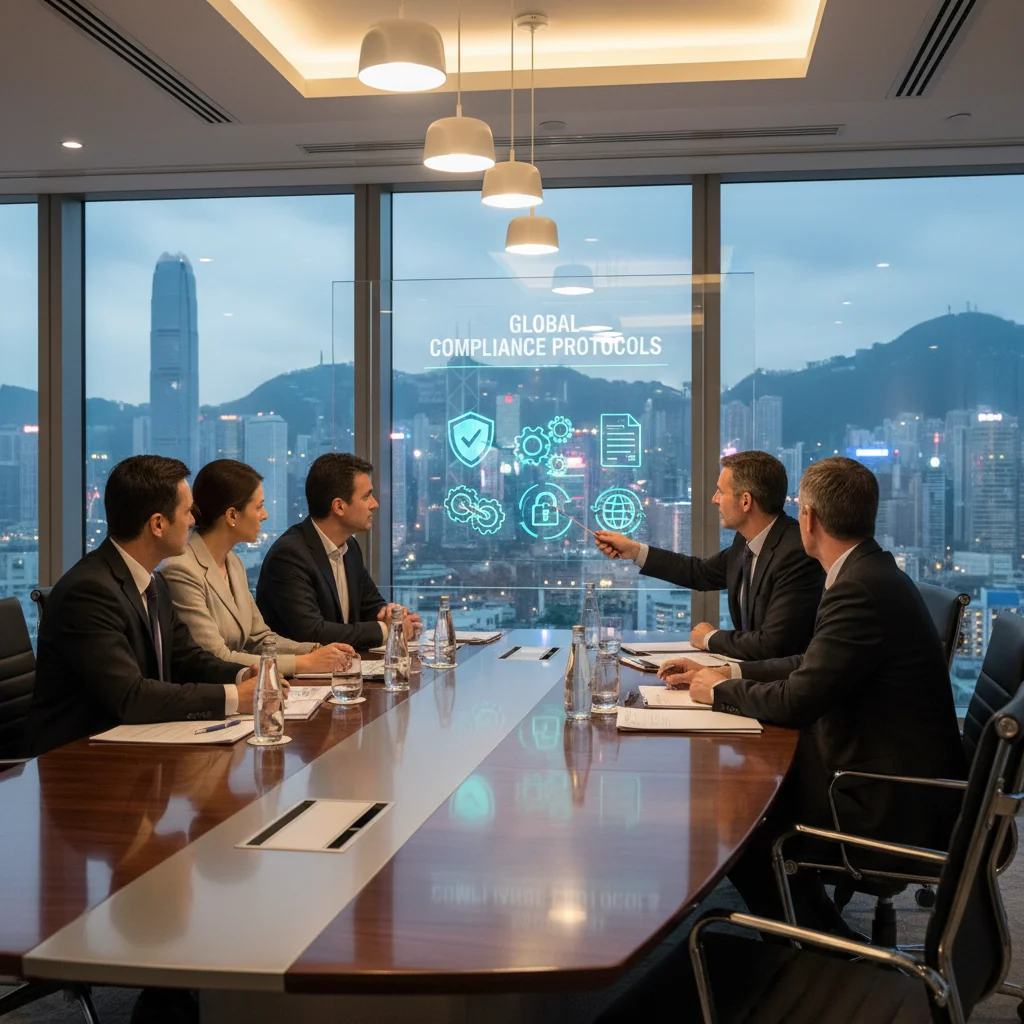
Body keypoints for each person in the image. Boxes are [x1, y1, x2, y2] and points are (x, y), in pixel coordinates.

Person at [660, 456, 966, 929]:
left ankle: (819, 949)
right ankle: (812, 939)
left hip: (883, 801)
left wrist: (721, 691)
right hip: (887, 771)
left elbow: (799, 699)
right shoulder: (867, 572)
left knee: (744, 827)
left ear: (809, 518)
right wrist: (728, 670)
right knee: (744, 797)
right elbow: (809, 665)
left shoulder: (859, 587)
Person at [28, 456, 258, 756]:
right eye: (188, 511)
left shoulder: (153, 583)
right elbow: (131, 696)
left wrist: (243, 676)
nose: (193, 521)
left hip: (137, 749)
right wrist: (234, 697)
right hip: (77, 762)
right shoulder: (88, 592)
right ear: (158, 524)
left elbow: (187, 658)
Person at [595, 450, 824, 660]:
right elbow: (700, 573)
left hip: (780, 690)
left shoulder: (796, 553)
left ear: (746, 501)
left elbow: (773, 646)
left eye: (721, 492)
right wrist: (634, 551)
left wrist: (709, 637)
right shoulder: (746, 539)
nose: (715, 499)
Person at [160, 459, 355, 677]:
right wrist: (305, 663)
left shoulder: (233, 562)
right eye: (259, 507)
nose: (265, 515)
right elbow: (216, 657)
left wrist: (315, 650)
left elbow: (260, 638)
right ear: (232, 515)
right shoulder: (182, 570)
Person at [256, 453, 420, 650]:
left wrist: (393, 616)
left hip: (341, 671)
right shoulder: (289, 555)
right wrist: (388, 630)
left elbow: (371, 607)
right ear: (339, 506)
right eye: (366, 496)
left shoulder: (349, 547)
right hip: (297, 677)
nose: (374, 504)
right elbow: (312, 633)